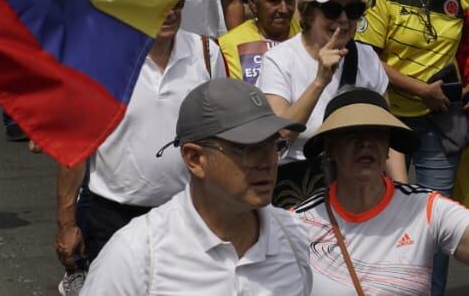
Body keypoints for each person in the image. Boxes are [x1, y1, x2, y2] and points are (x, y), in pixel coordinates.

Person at [294, 88, 469, 294]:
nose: (365, 143)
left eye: (376, 133)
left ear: (388, 148)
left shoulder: (425, 208)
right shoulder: (295, 224)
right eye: (351, 133)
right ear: (330, 148)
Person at [357, 0, 469, 296]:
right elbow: (369, 60)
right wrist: (419, 89)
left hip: (439, 119)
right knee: (385, 216)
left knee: (435, 219)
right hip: (391, 121)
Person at [82, 78, 313, 294]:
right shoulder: (138, 255)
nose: (268, 162)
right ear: (194, 159)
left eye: (274, 145)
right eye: (249, 149)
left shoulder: (293, 236)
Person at [55, 0, 227, 273]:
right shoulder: (100, 57)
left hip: (188, 216)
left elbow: (221, 136)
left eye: (177, 4)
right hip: (111, 219)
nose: (170, 12)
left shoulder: (206, 53)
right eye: (159, 4)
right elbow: (75, 145)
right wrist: (67, 223)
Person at [258, 0, 393, 208]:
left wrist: (401, 193)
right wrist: (320, 81)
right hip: (297, 190)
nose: (343, 19)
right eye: (332, 9)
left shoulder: (367, 57)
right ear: (308, 13)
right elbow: (279, 137)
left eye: (352, 10)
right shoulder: (279, 60)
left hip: (356, 189)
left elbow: (386, 135)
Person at [218, 0, 300, 86]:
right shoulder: (229, 44)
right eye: (274, 1)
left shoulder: (308, 36)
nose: (284, 9)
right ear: (252, 2)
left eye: (289, 0)